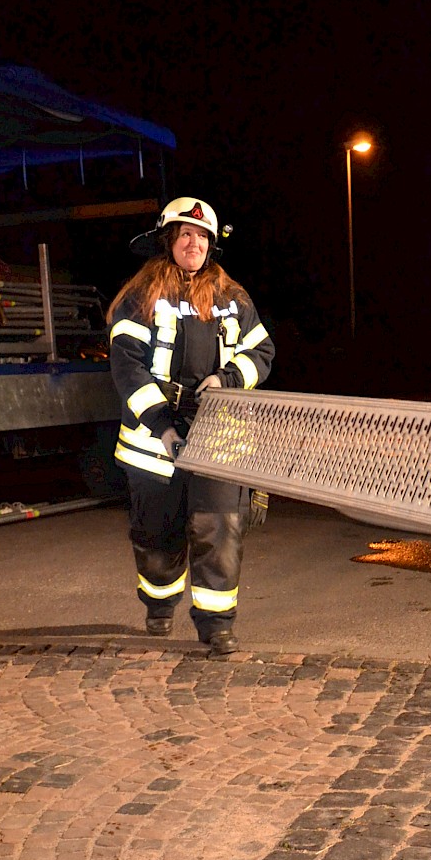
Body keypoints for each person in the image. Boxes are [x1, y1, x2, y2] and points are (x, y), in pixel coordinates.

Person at [107, 197, 274, 656]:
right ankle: (159, 606)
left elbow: (262, 353)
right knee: (156, 536)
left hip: (219, 434)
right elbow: (128, 368)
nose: (193, 242)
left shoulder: (232, 297)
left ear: (212, 245)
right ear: (167, 241)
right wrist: (163, 426)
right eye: (184, 234)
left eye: (201, 236)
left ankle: (217, 624)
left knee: (219, 529)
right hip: (152, 440)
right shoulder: (141, 297)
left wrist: (229, 377)